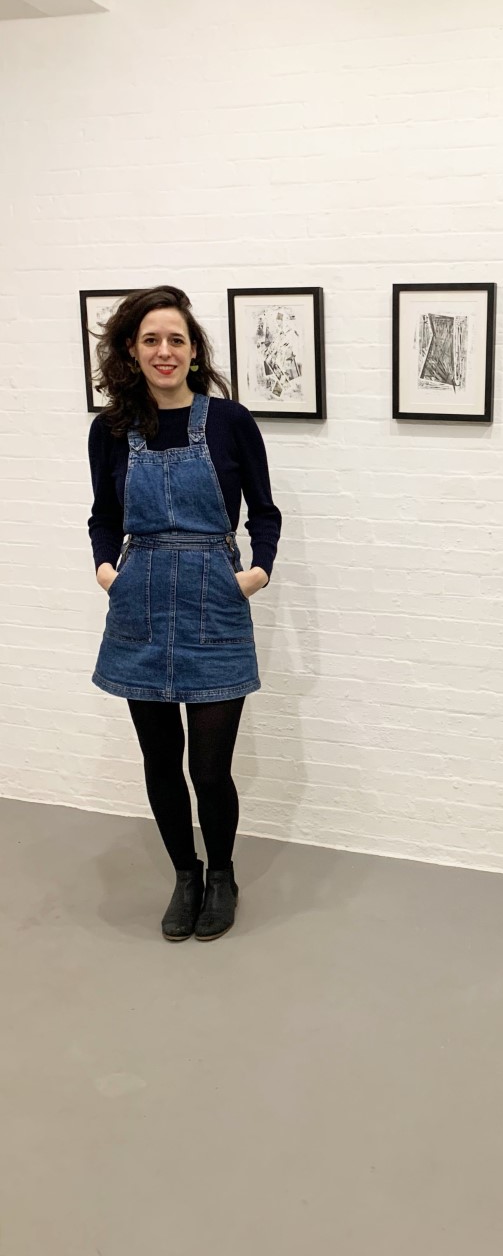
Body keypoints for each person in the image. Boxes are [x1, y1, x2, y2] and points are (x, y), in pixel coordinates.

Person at [87, 286, 281, 942]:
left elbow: (265, 509)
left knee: (208, 767)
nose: (164, 351)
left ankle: (222, 874)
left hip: (214, 602)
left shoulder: (229, 422)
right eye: (150, 340)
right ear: (132, 352)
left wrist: (254, 574)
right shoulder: (111, 429)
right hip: (138, 601)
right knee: (161, 762)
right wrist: (107, 569)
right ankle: (185, 875)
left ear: (193, 350)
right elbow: (104, 515)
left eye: (175, 339)